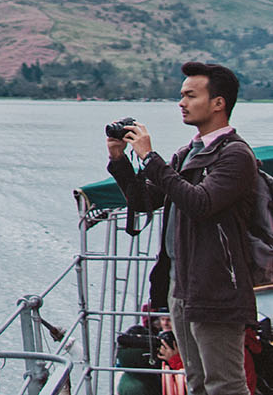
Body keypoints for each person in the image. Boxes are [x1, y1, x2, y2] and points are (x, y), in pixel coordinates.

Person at [109, 61, 259, 395]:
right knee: (197, 383)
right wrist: (120, 161)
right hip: (182, 286)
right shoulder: (187, 155)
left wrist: (150, 159)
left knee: (225, 385)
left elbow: (200, 203)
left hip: (218, 286)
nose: (181, 103)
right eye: (181, 95)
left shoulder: (235, 155)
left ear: (218, 103)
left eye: (191, 95)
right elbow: (144, 202)